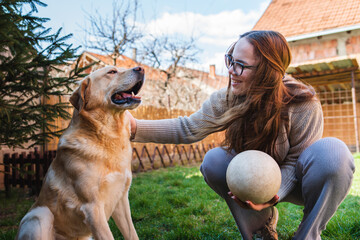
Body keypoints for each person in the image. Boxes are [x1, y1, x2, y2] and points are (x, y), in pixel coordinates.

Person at [127, 30, 355, 240]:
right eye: (230, 60)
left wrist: (272, 193)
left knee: (334, 154)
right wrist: (133, 127)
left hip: (296, 181)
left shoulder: (302, 103)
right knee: (215, 161)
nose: (230, 71)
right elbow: (188, 128)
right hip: (252, 181)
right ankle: (260, 230)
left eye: (240, 65)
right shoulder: (229, 98)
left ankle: (307, 234)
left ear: (267, 71)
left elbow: (297, 160)